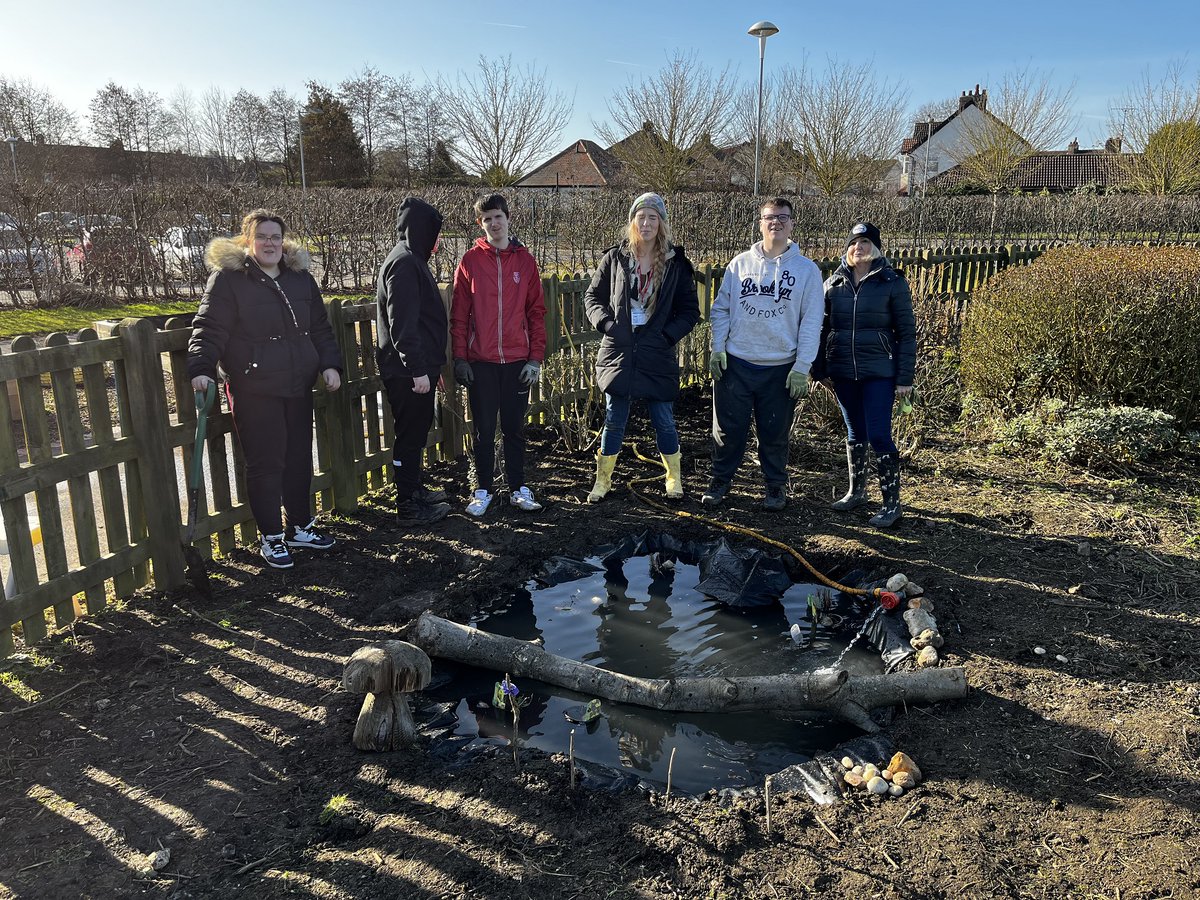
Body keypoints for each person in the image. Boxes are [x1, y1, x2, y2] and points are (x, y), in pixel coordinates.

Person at [188, 208, 343, 570]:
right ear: (248, 241)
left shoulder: (299, 278)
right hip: (254, 386)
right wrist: (201, 368)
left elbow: (319, 327)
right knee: (266, 463)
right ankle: (272, 536)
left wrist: (329, 364)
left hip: (297, 383)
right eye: (262, 237)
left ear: (283, 241)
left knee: (299, 458)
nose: (269, 243)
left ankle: (300, 527)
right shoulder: (229, 280)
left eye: (275, 237)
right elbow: (209, 327)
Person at [704, 197, 824, 511]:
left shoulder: (807, 271)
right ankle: (720, 481)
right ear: (760, 224)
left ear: (792, 223)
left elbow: (812, 321)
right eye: (770, 217)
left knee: (774, 432)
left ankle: (775, 486)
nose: (776, 223)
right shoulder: (739, 264)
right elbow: (721, 310)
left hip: (780, 367)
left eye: (783, 217)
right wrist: (718, 349)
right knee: (727, 431)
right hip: (737, 363)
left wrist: (802, 366)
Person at [583, 193, 700, 502]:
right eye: (641, 217)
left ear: (661, 223)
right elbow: (592, 297)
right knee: (614, 419)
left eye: (653, 217)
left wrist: (666, 337)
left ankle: (673, 478)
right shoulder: (615, 258)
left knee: (664, 420)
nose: (646, 223)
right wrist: (608, 325)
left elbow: (690, 312)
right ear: (632, 221)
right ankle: (602, 480)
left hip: (657, 353)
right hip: (619, 352)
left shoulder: (676, 264)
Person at [450, 194, 548, 517]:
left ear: (508, 218)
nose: (494, 224)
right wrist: (460, 358)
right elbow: (459, 315)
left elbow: (536, 312)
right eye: (487, 219)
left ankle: (518, 488)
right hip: (482, 362)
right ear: (481, 224)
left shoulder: (525, 261)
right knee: (483, 429)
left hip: (518, 361)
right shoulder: (470, 262)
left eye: (498, 217)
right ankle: (483, 490)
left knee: (514, 428)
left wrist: (535, 358)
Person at [814, 222, 916, 528]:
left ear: (877, 248)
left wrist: (905, 378)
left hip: (879, 372)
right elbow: (821, 328)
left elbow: (906, 333)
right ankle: (856, 492)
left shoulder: (892, 282)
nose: (859, 247)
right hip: (843, 370)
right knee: (855, 432)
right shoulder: (833, 284)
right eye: (854, 242)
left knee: (879, 434)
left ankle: (891, 505)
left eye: (866, 242)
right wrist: (819, 369)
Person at [376, 196, 453, 525]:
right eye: (435, 232)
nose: (438, 240)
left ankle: (415, 490)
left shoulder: (411, 258)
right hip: (406, 372)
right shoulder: (405, 263)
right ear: (421, 229)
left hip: (416, 369)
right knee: (409, 437)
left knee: (416, 434)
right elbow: (402, 325)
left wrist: (430, 366)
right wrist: (418, 369)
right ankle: (407, 506)